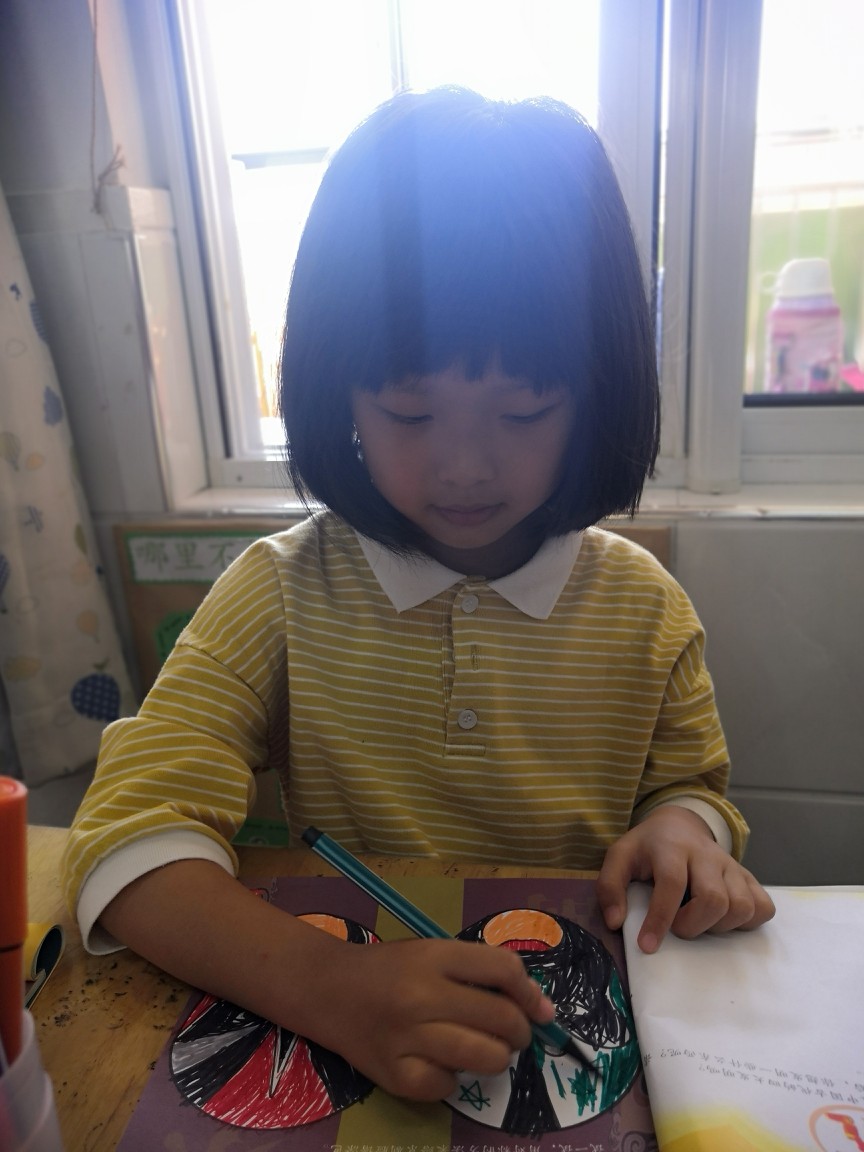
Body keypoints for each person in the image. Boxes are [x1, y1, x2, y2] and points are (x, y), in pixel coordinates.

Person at [62, 87, 775, 1103]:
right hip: (338, 1024)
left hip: (572, 1030)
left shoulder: (646, 611)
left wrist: (685, 831)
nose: (465, 466)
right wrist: (331, 987)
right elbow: (121, 836)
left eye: (524, 412)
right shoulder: (279, 593)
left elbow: (690, 787)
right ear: (339, 399)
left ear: (596, 399)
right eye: (408, 412)